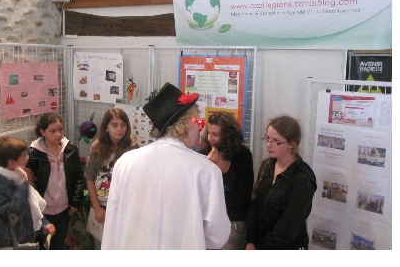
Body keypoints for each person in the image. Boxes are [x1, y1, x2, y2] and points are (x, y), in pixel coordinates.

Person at [102, 83, 230, 249]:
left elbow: (112, 224)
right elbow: (217, 237)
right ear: (186, 125)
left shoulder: (125, 162)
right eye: (198, 122)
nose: (200, 130)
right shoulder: (207, 171)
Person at [246, 115, 317, 249]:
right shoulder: (267, 165)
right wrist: (250, 240)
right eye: (268, 138)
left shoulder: (303, 177)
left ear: (292, 144)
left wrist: (263, 248)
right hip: (259, 242)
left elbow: (289, 224)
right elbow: (255, 204)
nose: (269, 144)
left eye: (276, 141)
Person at [0, 136, 55, 248]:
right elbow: (13, 213)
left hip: (24, 238)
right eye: (24, 155)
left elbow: (30, 208)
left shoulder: (18, 175)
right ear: (12, 162)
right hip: (6, 244)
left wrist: (44, 225)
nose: (28, 157)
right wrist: (23, 185)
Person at [28, 113, 85, 249]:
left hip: (64, 209)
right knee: (42, 246)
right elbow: (30, 184)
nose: (58, 134)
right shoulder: (33, 153)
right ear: (43, 132)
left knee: (58, 245)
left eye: (60, 130)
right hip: (43, 211)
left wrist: (75, 202)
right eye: (53, 131)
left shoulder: (70, 150)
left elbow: (79, 176)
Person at [84, 108, 138, 249]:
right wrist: (96, 207)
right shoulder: (97, 146)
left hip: (122, 205)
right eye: (114, 125)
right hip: (101, 204)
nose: (119, 129)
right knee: (101, 245)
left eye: (123, 125)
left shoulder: (132, 147)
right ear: (106, 128)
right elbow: (89, 177)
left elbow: (135, 179)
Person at [199, 112, 254, 250]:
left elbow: (243, 198)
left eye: (215, 134)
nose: (210, 138)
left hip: (233, 220)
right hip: (207, 221)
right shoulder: (203, 154)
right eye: (208, 133)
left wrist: (220, 171)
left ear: (227, 135)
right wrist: (209, 168)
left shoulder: (242, 155)